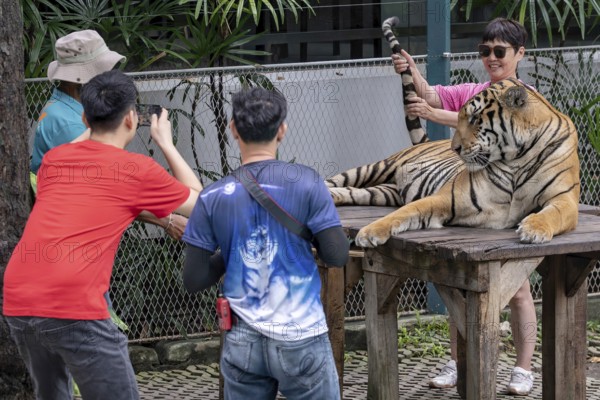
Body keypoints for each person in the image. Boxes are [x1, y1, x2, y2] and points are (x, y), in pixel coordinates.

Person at [3, 70, 203, 400]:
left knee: (52, 395)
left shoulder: (54, 161)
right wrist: (166, 143)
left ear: (84, 117)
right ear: (131, 118)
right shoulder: (136, 169)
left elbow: (83, 143)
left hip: (20, 299)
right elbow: (199, 204)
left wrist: (92, 121)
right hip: (71, 303)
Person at [392, 18, 536, 396]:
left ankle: (523, 369)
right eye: (485, 51)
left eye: (500, 51)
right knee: (462, 287)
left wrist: (431, 113)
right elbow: (432, 96)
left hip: (509, 208)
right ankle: (458, 362)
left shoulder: (523, 97)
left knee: (518, 289)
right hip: (470, 206)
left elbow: (477, 125)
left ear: (520, 53)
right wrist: (411, 70)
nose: (491, 58)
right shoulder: (475, 90)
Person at [181, 87, 350, 400]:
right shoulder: (308, 181)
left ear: (233, 129)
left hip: (242, 339)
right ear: (282, 129)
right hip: (302, 337)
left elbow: (193, 280)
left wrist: (229, 255)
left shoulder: (213, 195)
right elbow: (337, 255)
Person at [29, 29, 187, 238]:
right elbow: (109, 191)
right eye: (103, 69)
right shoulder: (68, 124)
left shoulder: (63, 107)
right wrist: (167, 220)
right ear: (84, 76)